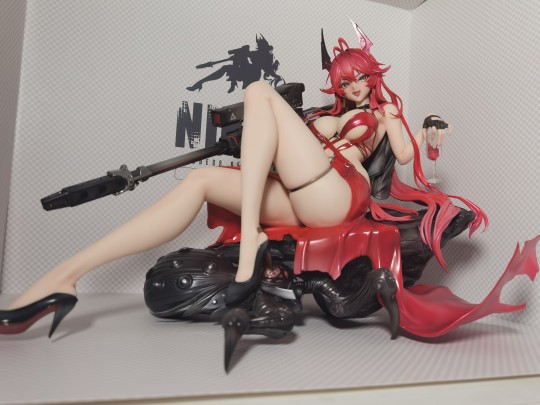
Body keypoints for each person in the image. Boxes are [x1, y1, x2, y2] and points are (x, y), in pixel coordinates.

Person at [0, 25, 485, 338]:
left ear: (372, 75)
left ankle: (251, 238)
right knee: (200, 182)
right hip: (303, 191)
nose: (354, 86)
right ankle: (65, 277)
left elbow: (404, 154)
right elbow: (281, 142)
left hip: (339, 191)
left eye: (360, 77)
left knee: (257, 91)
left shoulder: (382, 113)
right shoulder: (323, 113)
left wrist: (428, 130)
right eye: (345, 81)